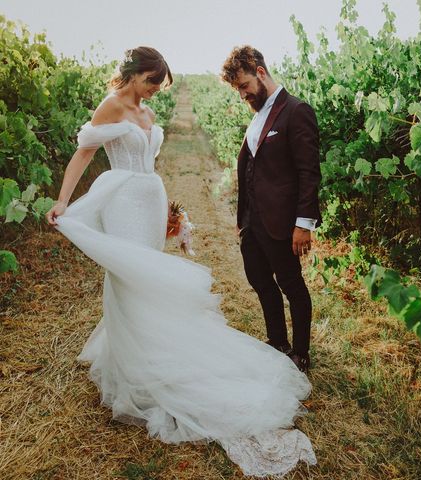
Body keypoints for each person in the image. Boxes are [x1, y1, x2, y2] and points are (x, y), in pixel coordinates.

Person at [45, 46, 316, 477]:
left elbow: (150, 165)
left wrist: (170, 212)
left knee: (149, 278)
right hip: (123, 202)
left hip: (149, 200)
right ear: (135, 74)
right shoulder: (111, 106)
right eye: (153, 82)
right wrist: (63, 200)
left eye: (160, 84)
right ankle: (138, 364)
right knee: (131, 279)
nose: (155, 91)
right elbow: (84, 154)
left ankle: (163, 355)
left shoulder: (148, 112)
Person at [221, 46, 322, 373]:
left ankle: (301, 353)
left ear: (260, 72)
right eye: (237, 89)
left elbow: (309, 172)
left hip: (282, 222)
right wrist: (244, 219)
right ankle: (278, 342)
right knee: (260, 279)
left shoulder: (297, 111)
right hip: (253, 222)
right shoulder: (258, 116)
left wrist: (303, 223)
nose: (242, 94)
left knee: (291, 285)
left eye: (243, 85)